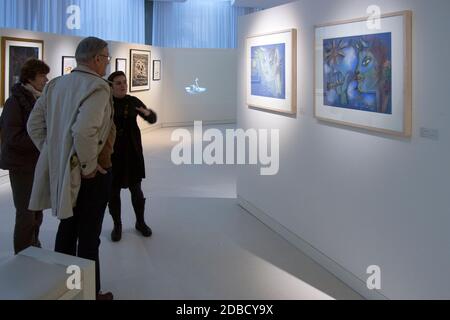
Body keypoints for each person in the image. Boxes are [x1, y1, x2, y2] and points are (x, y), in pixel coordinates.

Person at [27, 37, 116, 300]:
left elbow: (34, 125)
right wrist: (88, 167)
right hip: (89, 175)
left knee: (67, 230)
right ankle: (89, 293)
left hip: (66, 173)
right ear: (97, 59)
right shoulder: (97, 88)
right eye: (107, 58)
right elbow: (84, 131)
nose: (107, 63)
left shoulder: (55, 85)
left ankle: (65, 289)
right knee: (89, 237)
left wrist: (57, 154)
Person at [0, 59, 49, 254]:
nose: (46, 79)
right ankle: (22, 253)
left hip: (36, 163)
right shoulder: (14, 102)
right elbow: (13, 138)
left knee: (38, 209)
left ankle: (33, 245)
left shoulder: (37, 99)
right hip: (21, 166)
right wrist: (43, 139)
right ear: (31, 78)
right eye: (42, 76)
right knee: (26, 213)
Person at [106, 71, 157, 242]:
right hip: (112, 154)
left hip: (132, 152)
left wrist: (148, 113)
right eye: (118, 83)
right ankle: (117, 225)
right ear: (111, 86)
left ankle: (140, 222)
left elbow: (152, 119)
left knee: (137, 190)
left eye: (124, 82)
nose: (123, 86)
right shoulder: (105, 102)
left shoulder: (132, 101)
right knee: (113, 193)